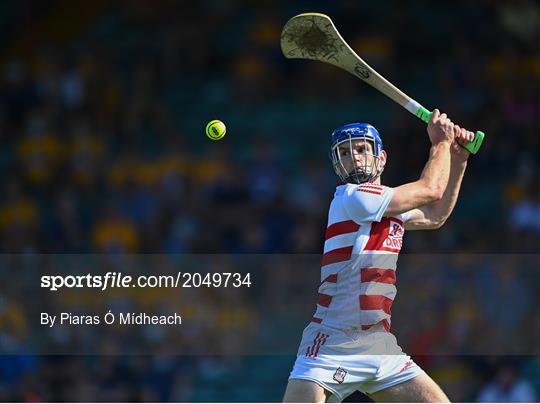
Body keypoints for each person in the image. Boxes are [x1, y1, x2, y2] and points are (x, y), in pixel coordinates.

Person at [283, 110, 476, 403]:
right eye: (345, 153)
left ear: (381, 158)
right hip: (331, 340)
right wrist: (439, 143)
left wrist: (458, 159)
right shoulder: (352, 197)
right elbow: (431, 189)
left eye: (361, 149)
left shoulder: (387, 204)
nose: (354, 158)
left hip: (378, 344)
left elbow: (436, 215)